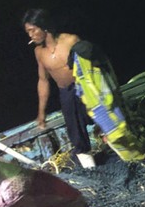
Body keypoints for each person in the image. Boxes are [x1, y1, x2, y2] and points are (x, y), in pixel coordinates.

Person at [22, 9, 95, 168]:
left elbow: (93, 66)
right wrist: (41, 113)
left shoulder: (71, 40)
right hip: (66, 93)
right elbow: (43, 81)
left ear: (43, 27)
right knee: (76, 135)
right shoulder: (39, 52)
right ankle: (92, 169)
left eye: (32, 30)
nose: (30, 35)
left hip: (86, 88)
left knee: (103, 120)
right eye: (28, 32)